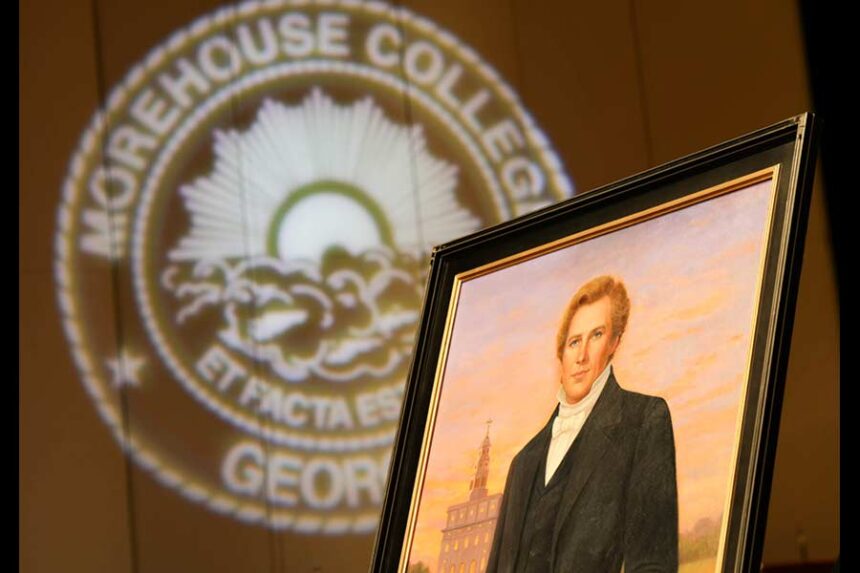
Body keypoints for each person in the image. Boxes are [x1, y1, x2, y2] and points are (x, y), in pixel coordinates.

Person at [486, 275, 678, 573]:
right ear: (560, 353)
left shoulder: (644, 421)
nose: (582, 355)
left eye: (597, 335)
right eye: (574, 341)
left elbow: (653, 565)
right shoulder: (522, 463)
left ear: (615, 342)